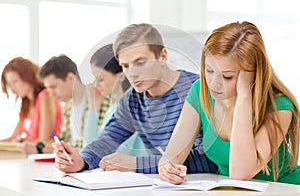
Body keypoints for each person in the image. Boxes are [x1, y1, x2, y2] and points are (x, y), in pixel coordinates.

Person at [53, 23, 218, 174]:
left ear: (162, 56)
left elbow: (209, 159)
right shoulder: (133, 99)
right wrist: (80, 160)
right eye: (125, 66)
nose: (132, 73)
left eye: (140, 63)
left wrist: (138, 164)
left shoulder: (198, 90)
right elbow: (108, 139)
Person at [158, 21, 300, 185]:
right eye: (209, 70)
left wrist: (244, 97)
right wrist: (167, 169)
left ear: (253, 74)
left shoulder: (280, 106)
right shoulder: (200, 91)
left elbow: (240, 174)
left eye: (227, 76)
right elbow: (172, 156)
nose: (213, 83)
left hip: (286, 190)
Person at [84, 43, 146, 156]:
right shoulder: (112, 109)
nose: (95, 85)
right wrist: (94, 107)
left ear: (121, 76)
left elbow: (106, 155)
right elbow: (90, 150)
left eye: (100, 79)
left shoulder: (132, 108)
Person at [38, 54, 111, 149]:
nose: (51, 94)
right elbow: (63, 142)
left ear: (70, 78)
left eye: (53, 87)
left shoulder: (100, 98)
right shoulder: (68, 107)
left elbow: (96, 144)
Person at [0, 57, 62, 153]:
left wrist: (26, 141)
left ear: (28, 76)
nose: (12, 89)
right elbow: (12, 138)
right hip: (31, 158)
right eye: (9, 84)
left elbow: (44, 140)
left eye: (15, 82)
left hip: (46, 158)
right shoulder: (26, 105)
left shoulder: (46, 97)